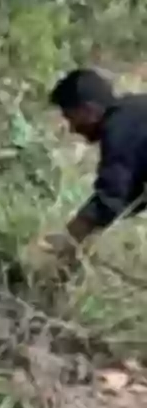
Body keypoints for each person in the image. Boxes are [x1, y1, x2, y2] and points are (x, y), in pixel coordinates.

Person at [39, 68, 147, 277]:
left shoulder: (120, 129)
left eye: (71, 117)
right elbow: (131, 195)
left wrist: (68, 239)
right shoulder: (134, 115)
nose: (71, 128)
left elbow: (110, 199)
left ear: (89, 110)